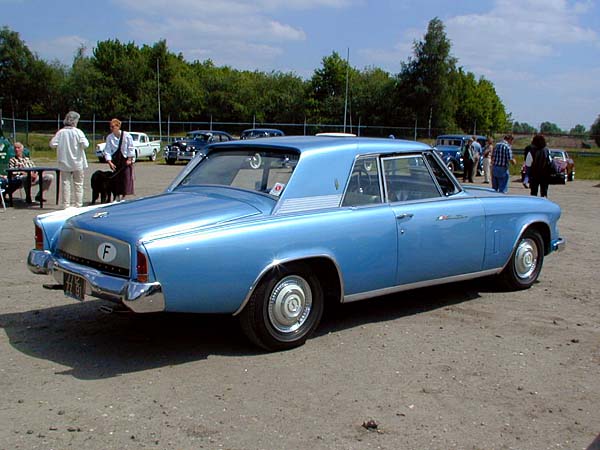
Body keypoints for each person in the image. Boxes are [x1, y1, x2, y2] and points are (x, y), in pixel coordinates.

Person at [50, 111, 89, 208]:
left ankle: (66, 204)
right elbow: (86, 145)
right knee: (78, 184)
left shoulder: (61, 132)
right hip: (77, 163)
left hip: (64, 162)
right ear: (75, 121)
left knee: (65, 184)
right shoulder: (78, 132)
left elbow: (52, 144)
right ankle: (78, 204)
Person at [102, 118, 135, 201]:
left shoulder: (127, 136)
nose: (111, 128)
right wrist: (110, 162)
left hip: (125, 159)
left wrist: (129, 159)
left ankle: (124, 196)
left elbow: (131, 148)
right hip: (116, 160)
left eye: (113, 127)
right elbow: (107, 150)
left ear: (118, 127)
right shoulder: (109, 137)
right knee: (116, 179)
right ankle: (117, 195)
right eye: (110, 127)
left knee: (126, 178)